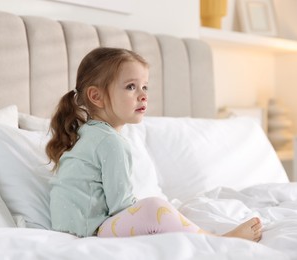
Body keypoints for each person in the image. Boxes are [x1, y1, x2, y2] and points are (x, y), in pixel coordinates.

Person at [46, 47, 262, 241]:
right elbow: (120, 206)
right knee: (154, 207)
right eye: (131, 87)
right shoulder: (110, 142)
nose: (143, 96)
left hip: (69, 227)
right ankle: (217, 239)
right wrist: (147, 214)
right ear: (97, 96)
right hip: (92, 229)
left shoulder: (85, 133)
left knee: (153, 208)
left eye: (145, 87)